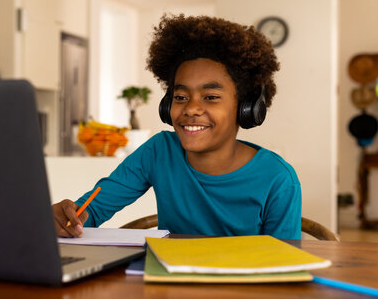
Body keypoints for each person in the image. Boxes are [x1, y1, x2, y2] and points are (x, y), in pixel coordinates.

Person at [53, 14, 301, 239]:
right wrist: (70, 218)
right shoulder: (159, 152)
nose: (190, 109)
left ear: (246, 108)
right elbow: (92, 210)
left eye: (211, 97)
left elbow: (284, 266)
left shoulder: (278, 179)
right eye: (180, 97)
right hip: (168, 284)